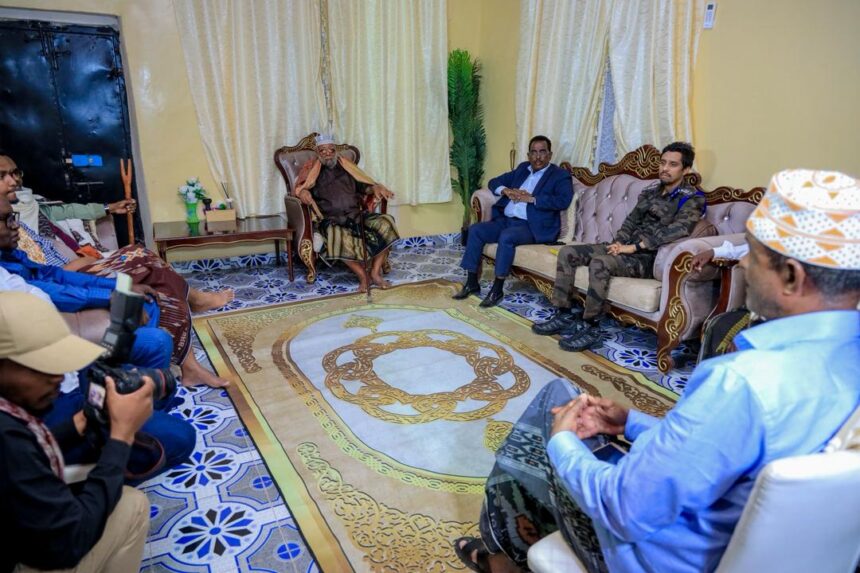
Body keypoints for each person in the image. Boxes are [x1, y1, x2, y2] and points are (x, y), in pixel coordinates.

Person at [454, 168, 860, 573]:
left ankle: (502, 557)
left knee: (556, 401)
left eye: (753, 253)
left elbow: (623, 509)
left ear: (791, 276)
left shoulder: (741, 382)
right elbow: (716, 450)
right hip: (752, 550)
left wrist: (560, 443)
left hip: (651, 556)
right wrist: (631, 422)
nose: (743, 263)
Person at [0, 159, 230, 387]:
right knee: (143, 261)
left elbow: (51, 270)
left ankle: (161, 371)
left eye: (15, 173)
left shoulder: (23, 219)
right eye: (2, 176)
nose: (14, 225)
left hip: (71, 270)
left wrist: (121, 286)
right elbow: (47, 287)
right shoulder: (7, 266)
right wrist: (110, 293)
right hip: (63, 293)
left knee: (149, 283)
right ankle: (189, 321)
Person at [0, 291, 153, 572]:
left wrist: (79, 422)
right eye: (41, 367)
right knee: (133, 505)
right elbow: (70, 543)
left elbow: (25, 459)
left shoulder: (10, 420)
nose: (58, 377)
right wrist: (122, 437)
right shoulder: (6, 438)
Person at [532, 141, 705, 352]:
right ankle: (563, 314)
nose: (665, 168)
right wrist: (619, 243)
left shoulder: (692, 199)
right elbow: (631, 221)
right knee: (568, 252)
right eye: (663, 163)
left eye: (673, 164)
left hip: (648, 258)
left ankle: (591, 327)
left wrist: (635, 247)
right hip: (626, 249)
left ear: (686, 170)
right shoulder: (651, 192)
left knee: (600, 263)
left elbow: (678, 230)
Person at [453, 135, 574, 308]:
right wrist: (506, 191)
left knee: (507, 236)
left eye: (542, 152)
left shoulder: (559, 175)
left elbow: (563, 200)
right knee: (476, 230)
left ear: (550, 154)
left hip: (532, 226)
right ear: (528, 155)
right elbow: (494, 182)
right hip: (506, 220)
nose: (538, 157)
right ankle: (472, 282)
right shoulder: (523, 168)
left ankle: (497, 289)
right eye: (533, 152)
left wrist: (532, 199)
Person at [293, 134, 400, 292]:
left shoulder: (347, 168)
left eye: (331, 149)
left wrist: (375, 187)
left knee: (387, 222)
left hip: (357, 215)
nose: (327, 153)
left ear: (335, 151)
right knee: (337, 236)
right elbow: (301, 188)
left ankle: (376, 273)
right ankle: (363, 277)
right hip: (331, 220)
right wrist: (303, 193)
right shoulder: (311, 171)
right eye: (323, 150)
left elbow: (365, 186)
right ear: (317, 152)